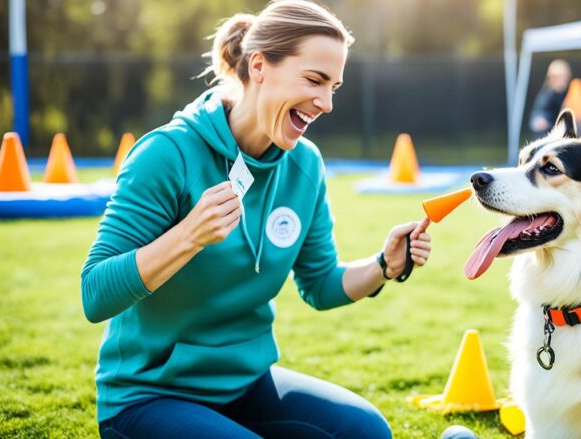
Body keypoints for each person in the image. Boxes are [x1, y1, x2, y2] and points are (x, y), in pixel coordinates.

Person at [81, 1, 431, 437]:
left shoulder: (304, 166)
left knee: (367, 432)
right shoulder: (166, 155)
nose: (326, 102)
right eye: (314, 80)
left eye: (334, 87)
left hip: (244, 387)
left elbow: (320, 284)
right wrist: (189, 235)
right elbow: (94, 294)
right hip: (146, 397)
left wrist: (384, 265)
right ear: (260, 66)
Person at [528, 59, 572, 137]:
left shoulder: (571, 92)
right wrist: (539, 119)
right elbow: (538, 117)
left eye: (563, 76)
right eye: (557, 76)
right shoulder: (547, 95)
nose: (561, 79)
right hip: (549, 134)